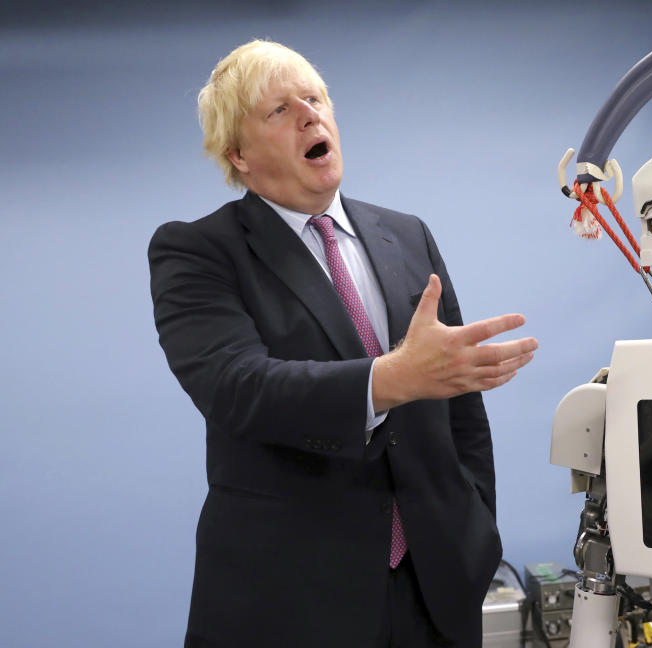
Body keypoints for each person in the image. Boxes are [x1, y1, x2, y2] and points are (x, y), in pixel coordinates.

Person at [148, 39, 538, 648]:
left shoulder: (407, 236)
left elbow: (461, 410)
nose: (310, 114)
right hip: (290, 596)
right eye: (279, 110)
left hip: (434, 584)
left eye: (315, 97)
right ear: (238, 155)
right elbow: (236, 388)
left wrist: (476, 528)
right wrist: (391, 380)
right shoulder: (198, 251)